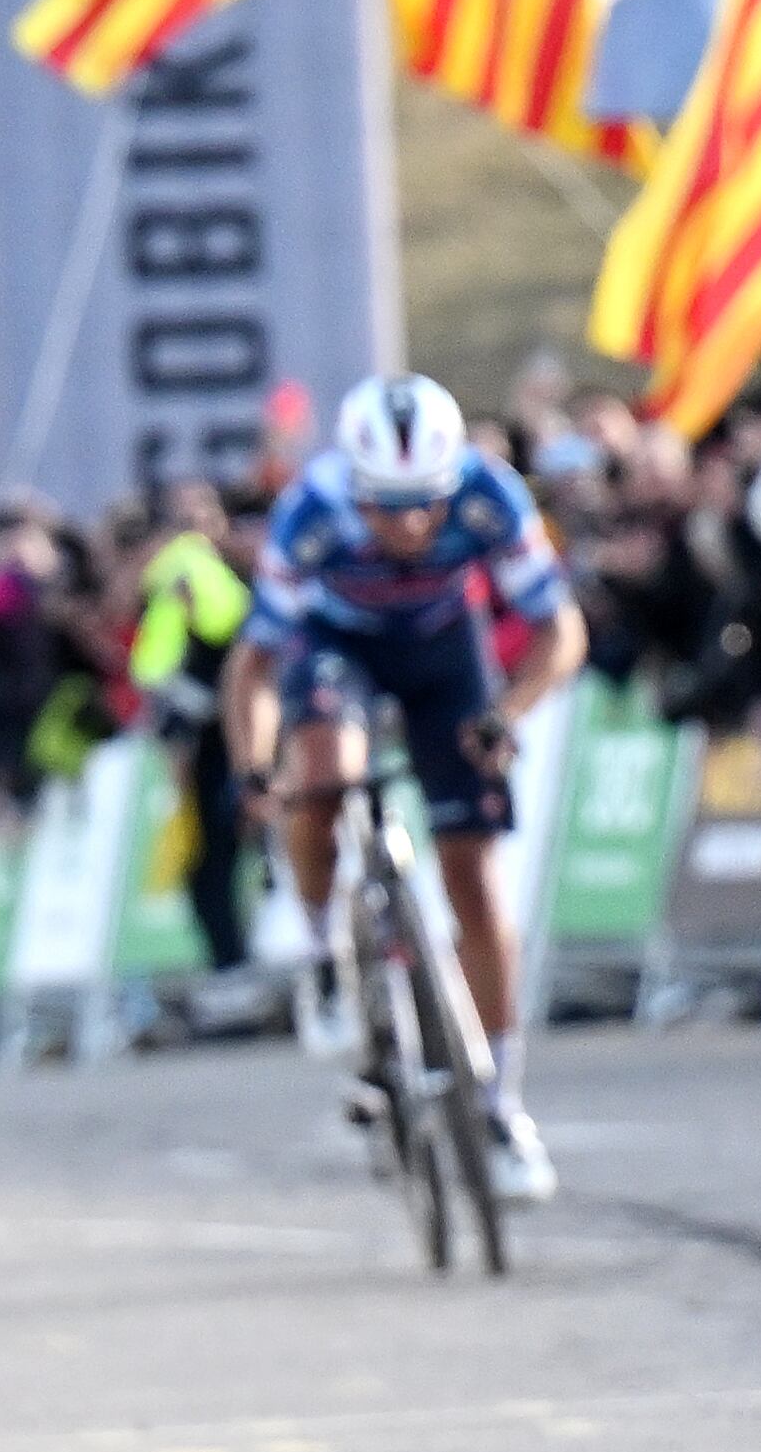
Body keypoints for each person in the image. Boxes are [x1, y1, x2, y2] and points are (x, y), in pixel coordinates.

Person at [223, 375, 589, 1202]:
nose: (412, 523)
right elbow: (253, 661)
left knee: (476, 883)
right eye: (388, 505)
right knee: (325, 777)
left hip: (442, 651)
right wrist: (254, 765)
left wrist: (509, 712)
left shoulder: (489, 493)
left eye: (426, 502)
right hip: (336, 646)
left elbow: (560, 627)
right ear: (355, 487)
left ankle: (502, 1105)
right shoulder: (310, 513)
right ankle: (320, 945)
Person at [127, 481, 257, 989]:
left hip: (250, 728)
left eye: (206, 517)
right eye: (186, 522)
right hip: (208, 738)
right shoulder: (174, 578)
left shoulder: (238, 569)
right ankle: (230, 961)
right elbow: (155, 664)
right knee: (210, 851)